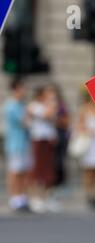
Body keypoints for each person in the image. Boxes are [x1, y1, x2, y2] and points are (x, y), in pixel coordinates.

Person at [3, 78, 32, 212]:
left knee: (24, 172)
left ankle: (22, 197)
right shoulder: (11, 106)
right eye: (22, 89)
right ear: (16, 89)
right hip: (15, 144)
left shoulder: (21, 105)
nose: (24, 92)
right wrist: (29, 115)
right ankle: (14, 198)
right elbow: (24, 122)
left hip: (24, 143)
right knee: (15, 172)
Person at [27, 85, 58, 213]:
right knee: (38, 170)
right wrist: (51, 103)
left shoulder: (47, 106)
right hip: (39, 140)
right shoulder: (34, 106)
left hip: (48, 140)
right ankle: (35, 198)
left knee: (48, 170)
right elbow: (48, 115)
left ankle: (45, 197)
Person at [53, 85, 70, 188]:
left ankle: (60, 181)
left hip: (61, 135)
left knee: (60, 160)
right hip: (52, 137)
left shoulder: (61, 107)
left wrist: (56, 120)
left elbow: (66, 121)